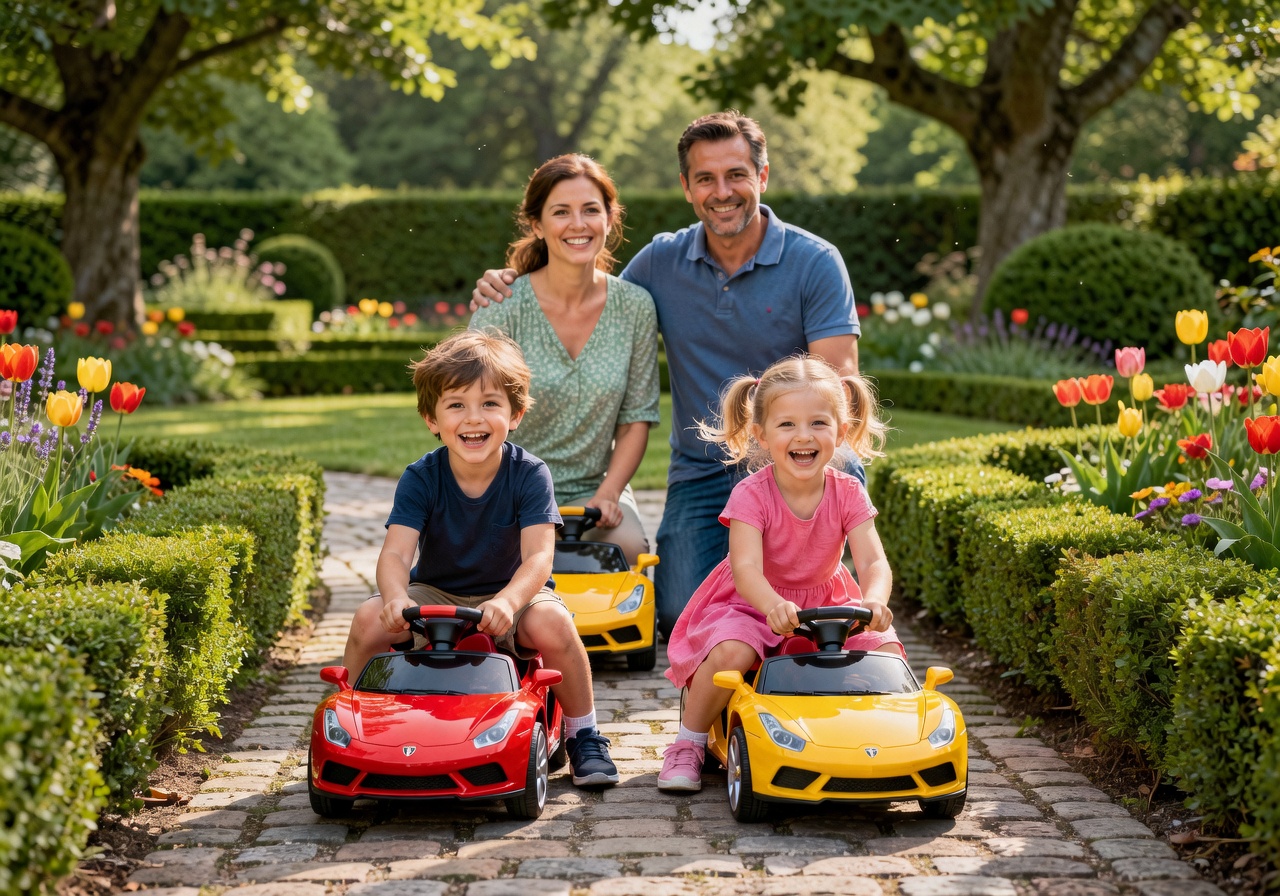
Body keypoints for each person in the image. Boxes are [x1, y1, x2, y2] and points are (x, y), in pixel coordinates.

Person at [473, 111, 863, 639]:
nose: (721, 191)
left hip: (794, 459)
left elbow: (837, 390)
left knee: (836, 515)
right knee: (680, 616)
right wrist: (509, 280)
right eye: (705, 178)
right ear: (686, 187)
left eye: (736, 175)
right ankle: (745, 613)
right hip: (702, 472)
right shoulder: (661, 262)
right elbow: (588, 288)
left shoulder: (815, 261)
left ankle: (821, 600)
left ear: (762, 177)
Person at [341, 330, 619, 787]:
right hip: (435, 590)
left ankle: (584, 734)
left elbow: (538, 558)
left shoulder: (530, 474)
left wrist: (509, 602)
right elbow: (395, 552)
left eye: (490, 403)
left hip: (512, 592)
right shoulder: (421, 477)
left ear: (516, 414)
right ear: (432, 418)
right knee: (369, 618)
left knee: (555, 625)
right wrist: (394, 598)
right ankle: (353, 722)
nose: (474, 418)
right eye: (456, 405)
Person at [656, 356, 901, 792]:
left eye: (819, 423)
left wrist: (875, 598)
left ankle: (872, 740)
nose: (803, 436)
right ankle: (688, 742)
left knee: (884, 653)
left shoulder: (848, 491)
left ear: (841, 432)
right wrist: (771, 605)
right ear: (761, 435)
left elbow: (872, 561)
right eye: (787, 425)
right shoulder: (752, 493)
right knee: (734, 650)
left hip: (825, 600)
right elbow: (745, 568)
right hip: (753, 601)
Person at [470, 154, 660, 565]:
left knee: (627, 550)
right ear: (537, 225)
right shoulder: (502, 305)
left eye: (591, 210)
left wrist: (609, 493)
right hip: (509, 485)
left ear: (610, 218)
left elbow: (636, 418)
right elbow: (474, 414)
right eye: (561, 212)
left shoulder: (636, 307)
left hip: (596, 491)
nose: (579, 224)